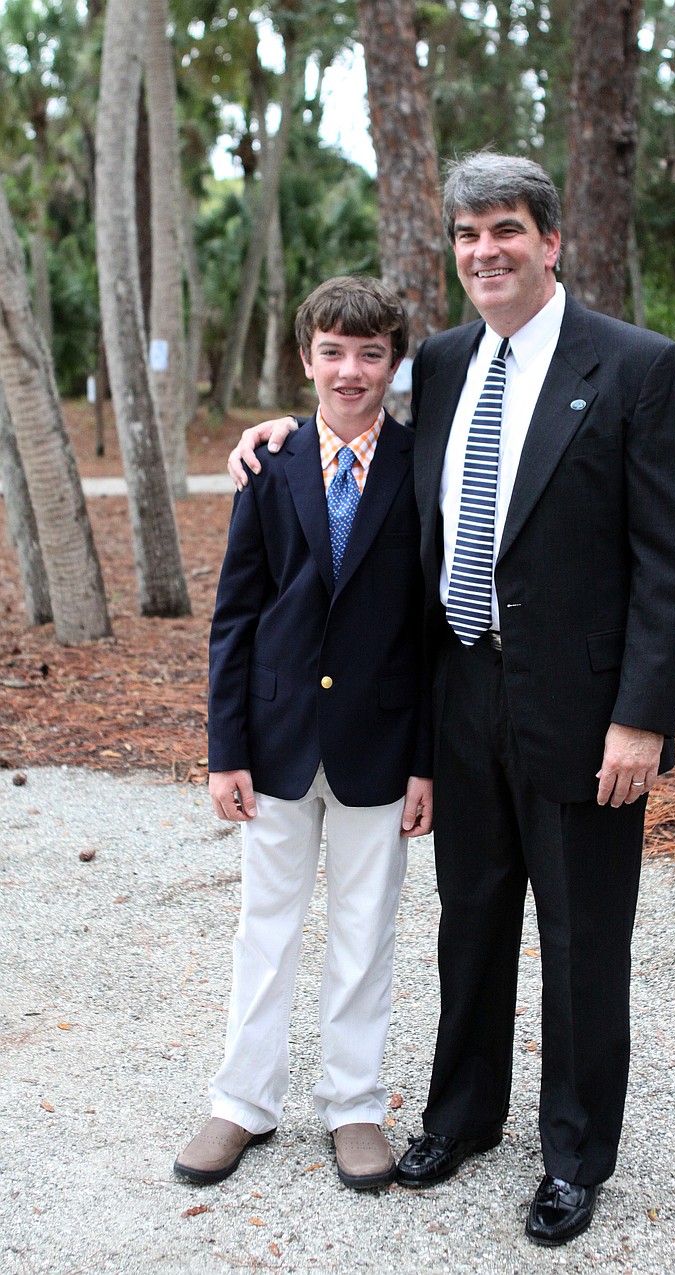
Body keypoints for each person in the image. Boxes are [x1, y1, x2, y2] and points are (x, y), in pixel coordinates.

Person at [227, 152, 675, 1244]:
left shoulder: (637, 367)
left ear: (550, 240)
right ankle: (462, 1120)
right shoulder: (440, 362)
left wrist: (641, 716)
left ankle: (575, 1155)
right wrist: (270, 434)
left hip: (586, 714)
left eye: (504, 230)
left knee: (582, 940)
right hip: (462, 688)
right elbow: (346, 407)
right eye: (466, 235)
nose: (484, 251)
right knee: (472, 924)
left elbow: (672, 564)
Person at [174, 276, 432, 1193]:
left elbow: (433, 628)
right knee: (265, 927)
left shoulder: (417, 465)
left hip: (381, 740)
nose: (350, 371)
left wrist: (428, 761)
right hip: (278, 737)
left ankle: (353, 1104)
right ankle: (242, 1101)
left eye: (370, 353)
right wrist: (225, 749)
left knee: (366, 929)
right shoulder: (269, 464)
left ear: (393, 363)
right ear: (306, 359)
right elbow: (235, 615)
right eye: (333, 351)